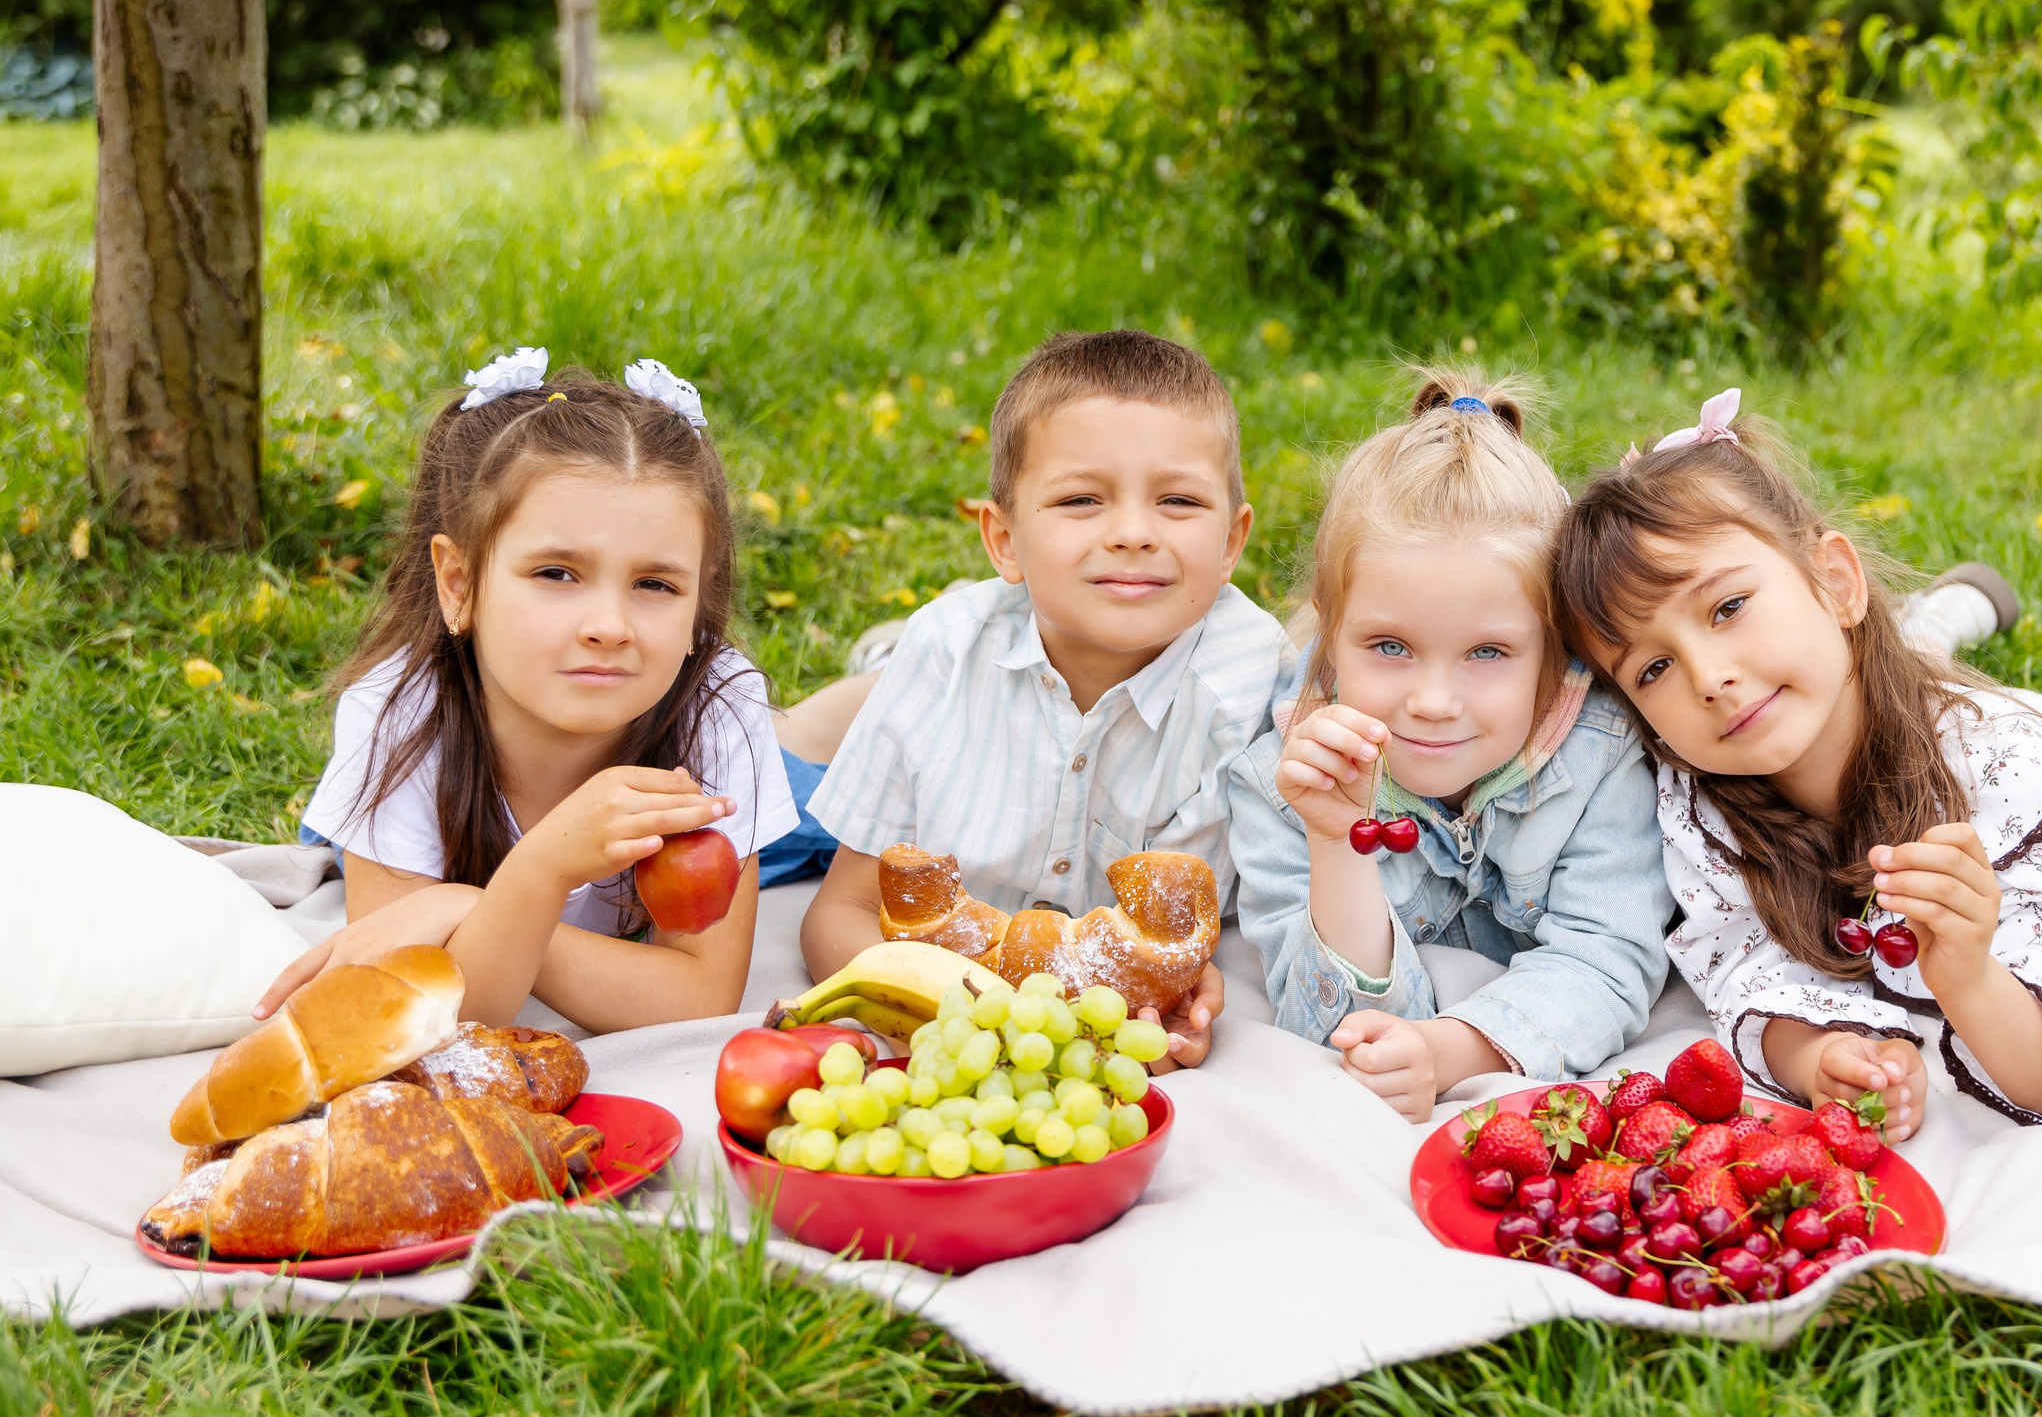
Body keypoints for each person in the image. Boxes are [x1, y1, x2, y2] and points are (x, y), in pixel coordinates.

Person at [1553, 389, 2042, 1142]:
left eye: (1727, 607)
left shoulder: (2022, 786)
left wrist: (1969, 977)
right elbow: (1740, 959)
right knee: (1887, 660)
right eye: (1652, 669)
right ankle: (1950, 610)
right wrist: (1816, 1055)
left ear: (1838, 581)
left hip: (2020, 748)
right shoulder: (1700, 798)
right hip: (1881, 690)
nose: (1707, 676)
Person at [260, 351, 802, 1031]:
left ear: (700, 601)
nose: (609, 626)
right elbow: (424, 1015)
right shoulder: (397, 718)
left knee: (814, 804)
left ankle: (847, 702)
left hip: (711, 743)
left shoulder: (717, 707)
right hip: (446, 769)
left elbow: (697, 999)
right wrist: (541, 871)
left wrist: (470, 909)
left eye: (656, 584)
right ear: (459, 585)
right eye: (556, 573)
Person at [791, 330, 1285, 1069]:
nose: (1131, 533)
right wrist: (956, 1019)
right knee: (788, 771)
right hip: (957, 665)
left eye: (1177, 500)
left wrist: (1180, 995)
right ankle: (870, 672)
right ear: (1004, 540)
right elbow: (842, 912)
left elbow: (1170, 948)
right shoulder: (945, 657)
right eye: (1081, 499)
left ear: (1230, 543)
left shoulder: (1249, 687)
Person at [1225, 372, 1673, 1121]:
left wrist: (1451, 1048)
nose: (1432, 702)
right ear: (1329, 633)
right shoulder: (1281, 780)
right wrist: (1336, 841)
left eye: (1488, 652)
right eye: (1390, 646)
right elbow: (1329, 1027)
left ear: (1553, 648)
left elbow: (1607, 959)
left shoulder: (1602, 755)